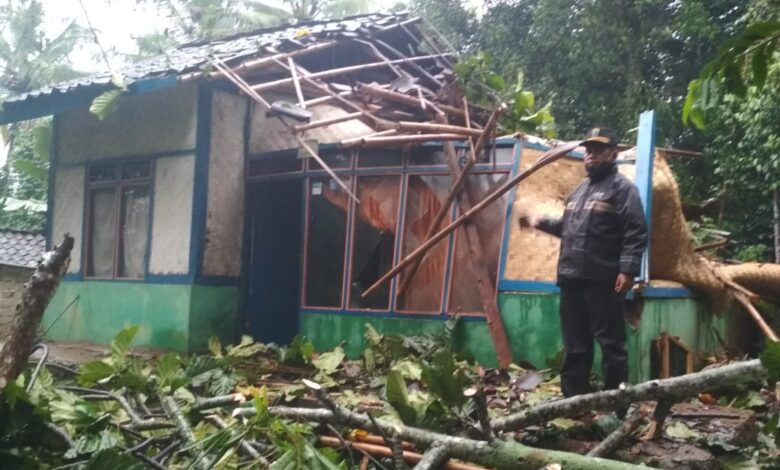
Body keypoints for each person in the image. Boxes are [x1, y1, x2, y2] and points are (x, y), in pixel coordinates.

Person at [519, 128, 648, 397]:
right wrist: (540, 223)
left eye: (598, 151)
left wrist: (627, 270)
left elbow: (635, 230)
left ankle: (615, 401)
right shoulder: (579, 191)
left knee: (611, 343)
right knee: (575, 344)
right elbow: (568, 227)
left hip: (603, 278)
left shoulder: (624, 190)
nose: (590, 156)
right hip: (571, 277)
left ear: (613, 154)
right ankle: (573, 400)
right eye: (588, 151)